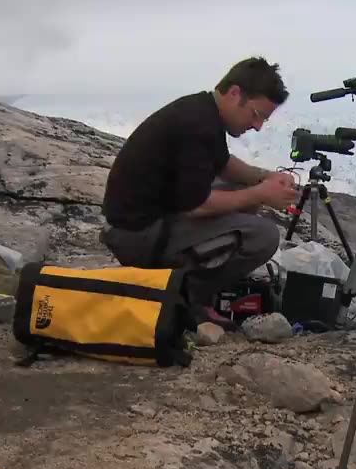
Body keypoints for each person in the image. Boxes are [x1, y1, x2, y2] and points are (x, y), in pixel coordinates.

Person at [100, 56, 300, 329]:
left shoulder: (202, 110)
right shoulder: (198, 126)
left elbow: (224, 164)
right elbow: (196, 205)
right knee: (264, 236)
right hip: (138, 236)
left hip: (145, 221)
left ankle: (189, 282)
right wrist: (261, 194)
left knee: (243, 195)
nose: (257, 126)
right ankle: (184, 297)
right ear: (235, 94)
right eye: (257, 115)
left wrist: (264, 178)